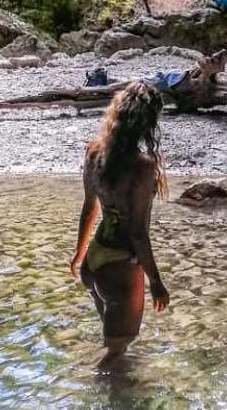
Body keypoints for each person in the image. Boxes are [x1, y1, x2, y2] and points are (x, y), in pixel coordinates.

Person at [70, 81, 170, 367]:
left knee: (115, 343)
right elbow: (138, 233)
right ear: (149, 123)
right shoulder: (143, 166)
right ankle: (103, 405)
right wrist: (157, 282)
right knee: (115, 354)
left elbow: (89, 207)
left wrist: (79, 255)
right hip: (121, 267)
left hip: (95, 260)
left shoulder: (94, 152)